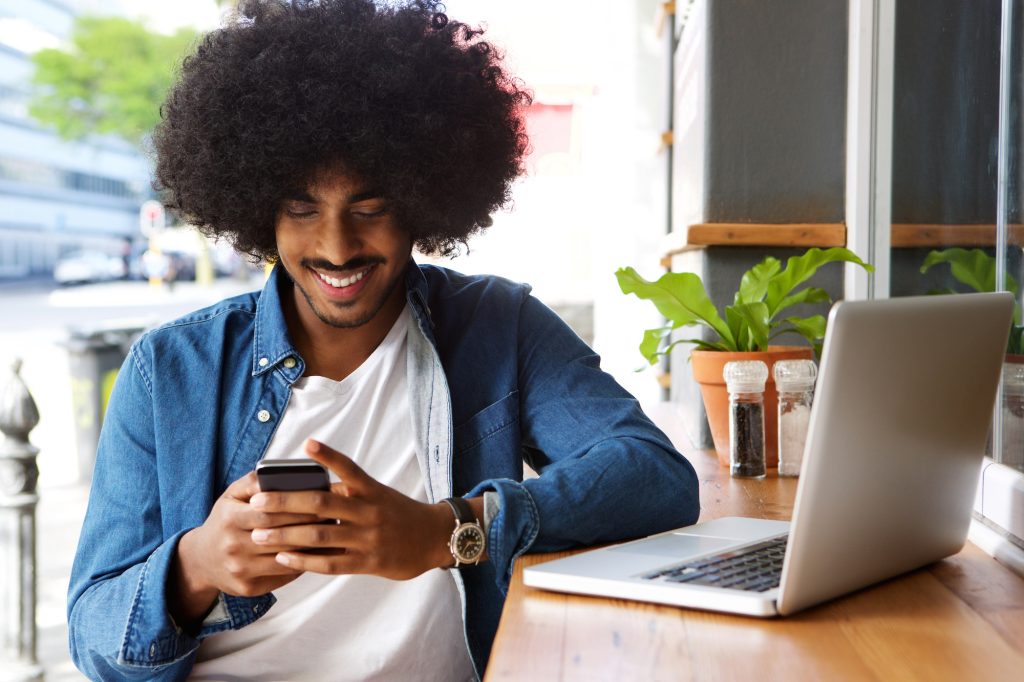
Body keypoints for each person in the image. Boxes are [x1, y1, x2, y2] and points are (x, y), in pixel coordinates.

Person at [66, 1, 700, 680]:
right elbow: (95, 640)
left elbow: (655, 477)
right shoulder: (171, 370)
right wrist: (195, 567)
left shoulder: (495, 326)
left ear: (422, 201)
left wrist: (448, 531)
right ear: (257, 206)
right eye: (302, 208)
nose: (337, 247)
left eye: (370, 208)